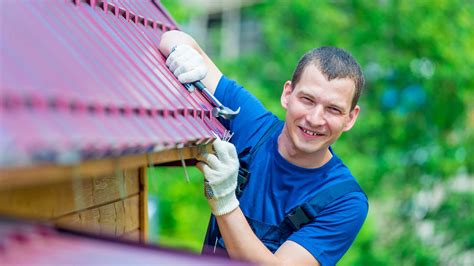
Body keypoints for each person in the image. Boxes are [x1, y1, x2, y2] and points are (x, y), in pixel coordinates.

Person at [159, 30, 368, 266]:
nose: (315, 119)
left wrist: (225, 202)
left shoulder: (344, 201)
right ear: (287, 94)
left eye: (333, 109)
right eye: (307, 100)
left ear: (350, 118)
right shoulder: (251, 125)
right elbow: (172, 38)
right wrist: (181, 53)